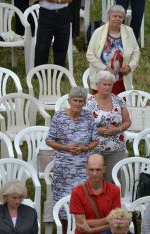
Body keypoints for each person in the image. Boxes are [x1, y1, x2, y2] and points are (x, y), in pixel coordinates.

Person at [46, 87, 99, 231]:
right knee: (63, 204)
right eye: (75, 100)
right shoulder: (59, 117)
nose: (77, 103)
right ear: (69, 101)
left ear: (84, 103)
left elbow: (95, 140)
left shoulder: (88, 117)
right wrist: (66, 148)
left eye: (80, 101)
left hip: (83, 167)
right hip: (64, 168)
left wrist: (85, 148)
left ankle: (80, 230)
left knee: (82, 201)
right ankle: (64, 230)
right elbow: (49, 140)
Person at [85, 71, 131, 182]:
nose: (107, 87)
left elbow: (127, 122)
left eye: (109, 84)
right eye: (104, 84)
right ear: (97, 85)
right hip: (94, 148)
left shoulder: (118, 100)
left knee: (112, 180)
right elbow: (82, 125)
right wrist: (97, 130)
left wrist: (117, 129)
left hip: (117, 147)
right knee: (94, 180)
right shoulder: (89, 103)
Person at [86, 5, 140, 95]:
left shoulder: (129, 31)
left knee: (120, 106)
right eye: (114, 16)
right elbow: (90, 55)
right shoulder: (98, 32)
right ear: (108, 17)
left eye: (120, 17)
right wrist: (105, 68)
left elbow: (136, 52)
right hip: (102, 79)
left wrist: (130, 67)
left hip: (122, 80)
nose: (117, 19)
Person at [29, 0, 73, 67]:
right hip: (46, 15)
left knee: (62, 45)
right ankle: (39, 73)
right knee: (42, 45)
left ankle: (59, 72)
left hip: (63, 14)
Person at [70, 154, 121, 234]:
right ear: (86, 169)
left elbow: (116, 223)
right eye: (91, 170)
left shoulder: (115, 190)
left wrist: (91, 230)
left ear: (104, 169)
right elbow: (81, 225)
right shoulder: (77, 192)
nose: (94, 173)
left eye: (98, 170)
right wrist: (107, 220)